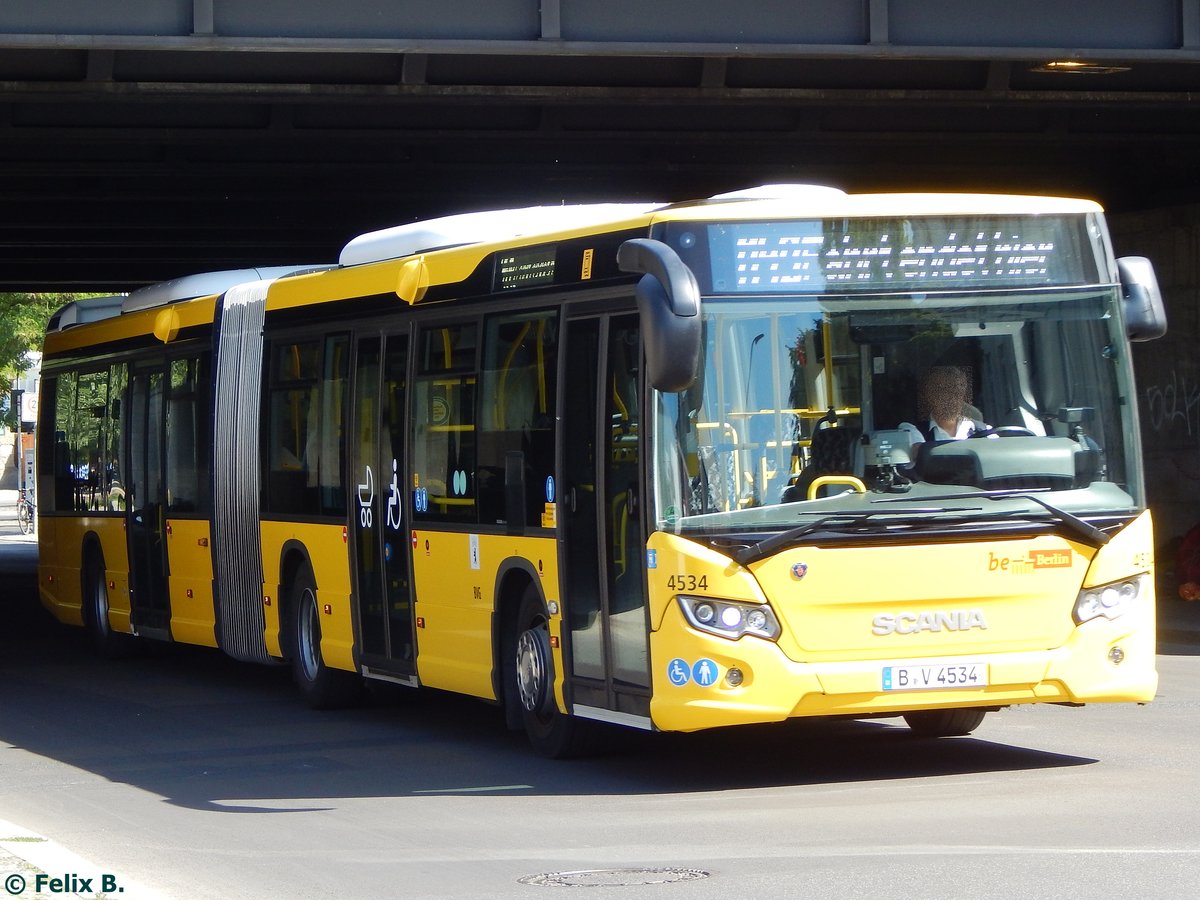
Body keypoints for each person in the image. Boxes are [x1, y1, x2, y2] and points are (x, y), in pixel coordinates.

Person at [897, 365, 988, 447]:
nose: (950, 396)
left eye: (955, 389)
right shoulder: (912, 430)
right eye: (943, 390)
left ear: (963, 394)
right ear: (930, 395)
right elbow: (919, 453)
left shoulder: (984, 430)